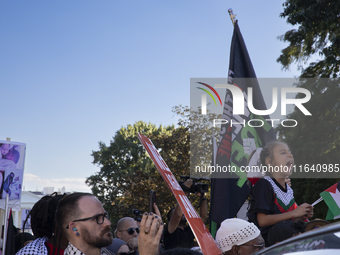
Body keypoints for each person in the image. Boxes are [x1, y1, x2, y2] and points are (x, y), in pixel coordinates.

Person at [247, 141, 313, 246]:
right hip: (269, 245)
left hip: (286, 238)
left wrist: (300, 216)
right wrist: (294, 213)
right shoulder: (264, 183)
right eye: (283, 152)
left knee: (316, 227)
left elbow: (286, 219)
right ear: (269, 161)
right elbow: (262, 221)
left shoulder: (289, 189)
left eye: (290, 152)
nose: (290, 155)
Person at [163, 179, 207, 250]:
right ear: (171, 219)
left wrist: (203, 198)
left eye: (183, 211)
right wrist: (184, 192)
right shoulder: (169, 231)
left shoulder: (188, 231)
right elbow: (177, 215)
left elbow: (203, 218)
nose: (182, 213)